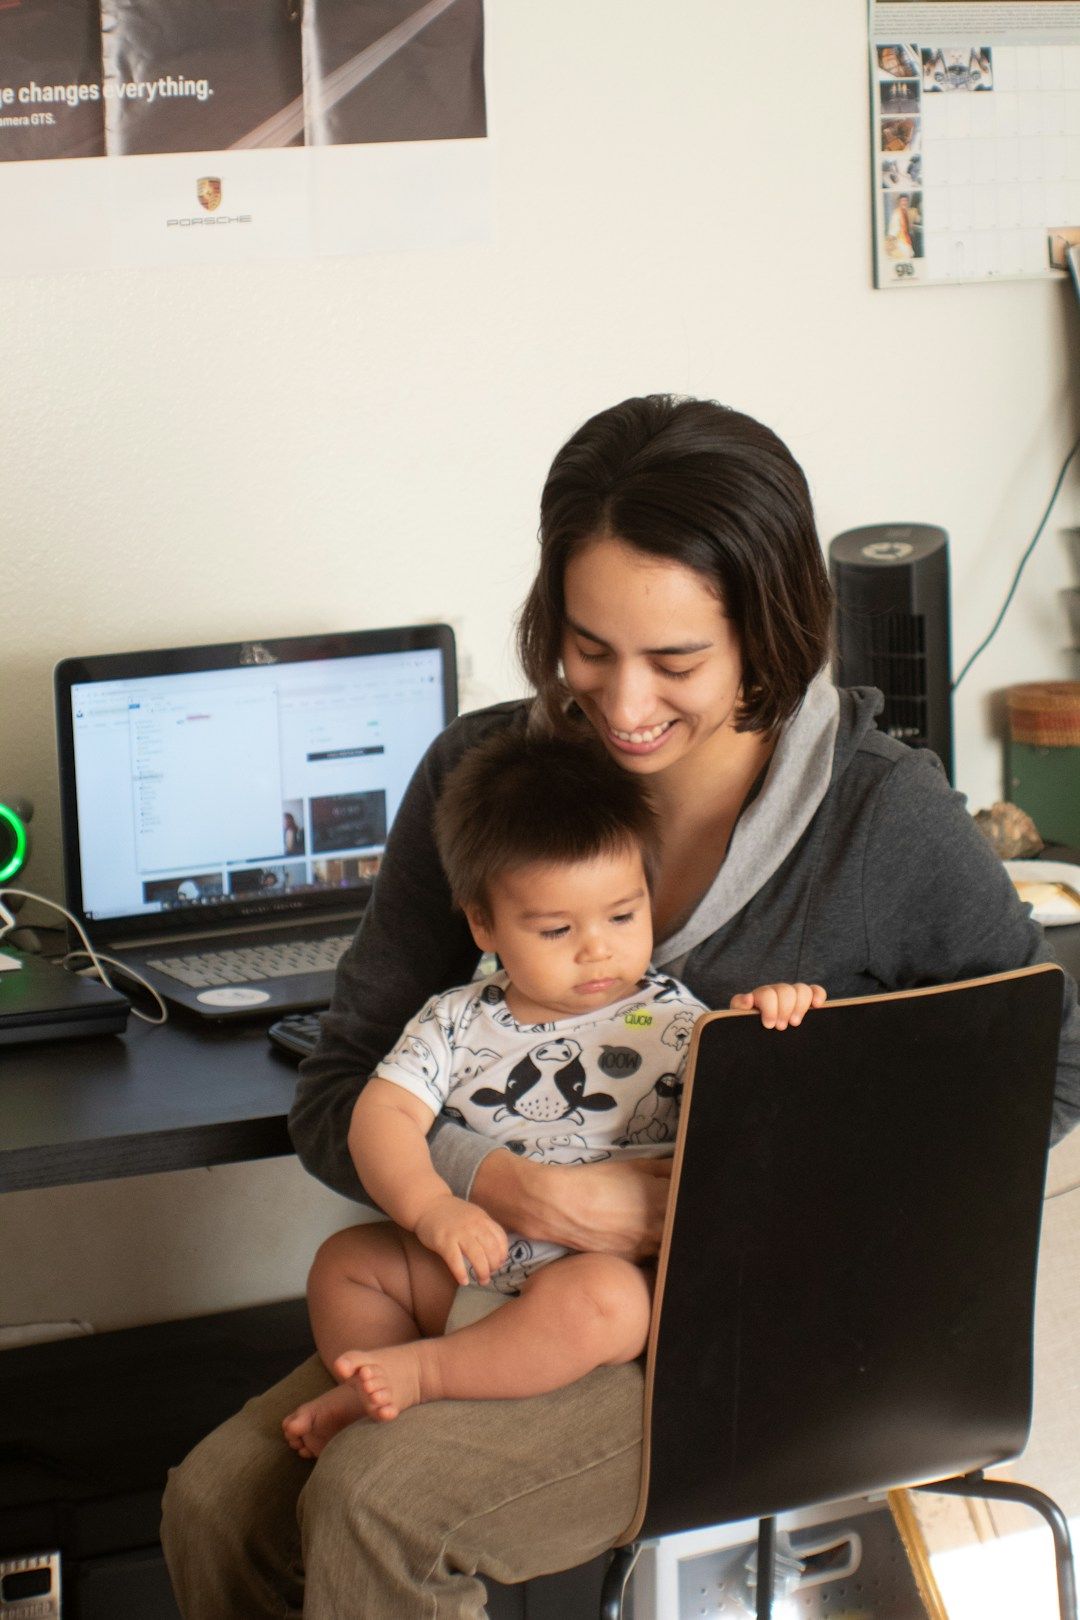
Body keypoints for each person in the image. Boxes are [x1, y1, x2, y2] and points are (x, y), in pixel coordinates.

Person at [161, 394, 1080, 1620]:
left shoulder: (881, 822)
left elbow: (1049, 1069)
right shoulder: (488, 787)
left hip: (762, 1333)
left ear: (770, 634)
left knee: (381, 1504)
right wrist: (510, 1185)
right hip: (513, 1283)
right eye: (589, 648)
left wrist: (762, 1201)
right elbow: (340, 1096)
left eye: (678, 661)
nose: (625, 704)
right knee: (214, 1503)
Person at [279, 731, 824, 1458]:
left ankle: (425, 1374)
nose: (597, 949)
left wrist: (771, 1021)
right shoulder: (455, 1019)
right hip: (476, 1267)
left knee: (612, 1304)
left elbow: (761, 1117)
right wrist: (431, 1207)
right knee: (345, 1265)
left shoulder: (679, 1020)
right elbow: (380, 1116)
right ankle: (365, 1389)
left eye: (623, 916)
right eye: (557, 928)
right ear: (484, 924)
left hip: (586, 1287)